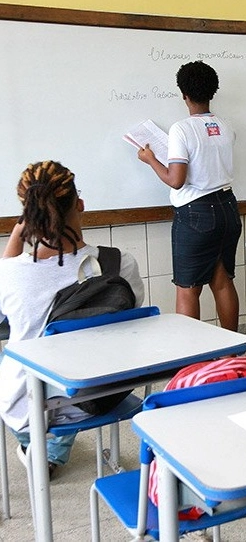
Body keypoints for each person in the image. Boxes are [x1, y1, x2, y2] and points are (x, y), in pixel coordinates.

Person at [0, 161, 145, 477]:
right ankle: (52, 451)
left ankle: (35, 447)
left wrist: (15, 238)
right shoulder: (119, 263)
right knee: (76, 357)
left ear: (28, 215)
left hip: (29, 408)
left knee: (15, 357)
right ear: (79, 204)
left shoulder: (8, 273)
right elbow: (134, 317)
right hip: (102, 393)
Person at [137, 61, 242, 331]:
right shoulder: (226, 125)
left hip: (196, 214)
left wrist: (150, 159)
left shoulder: (181, 129)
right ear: (212, 91)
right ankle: (230, 353)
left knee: (187, 289)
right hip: (228, 208)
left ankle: (192, 359)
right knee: (222, 281)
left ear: (184, 94)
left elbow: (176, 180)